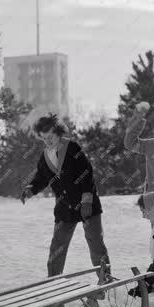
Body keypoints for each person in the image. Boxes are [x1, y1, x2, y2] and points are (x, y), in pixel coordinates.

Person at [21, 114, 112, 290]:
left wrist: (86, 200)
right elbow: (41, 177)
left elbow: (87, 173)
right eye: (44, 138)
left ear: (59, 133)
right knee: (57, 247)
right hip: (64, 208)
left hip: (87, 205)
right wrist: (31, 189)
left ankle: (105, 279)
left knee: (95, 243)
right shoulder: (45, 155)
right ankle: (53, 285)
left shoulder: (72, 147)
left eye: (51, 137)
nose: (48, 141)